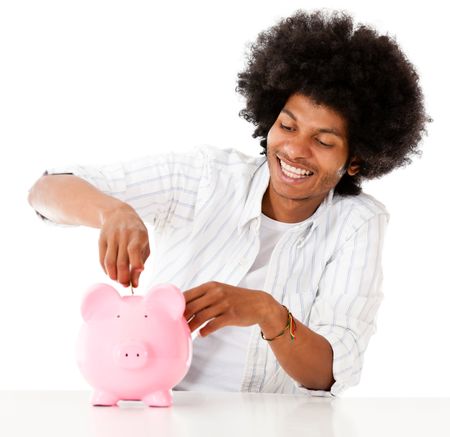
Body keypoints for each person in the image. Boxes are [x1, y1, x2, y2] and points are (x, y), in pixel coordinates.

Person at [28, 10, 429, 396]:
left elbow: (327, 375)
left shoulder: (357, 223)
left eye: (323, 141)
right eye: (287, 126)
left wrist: (269, 313)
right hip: (160, 406)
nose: (295, 150)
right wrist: (112, 211)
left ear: (356, 159)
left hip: (273, 423)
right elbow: (45, 191)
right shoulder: (208, 176)